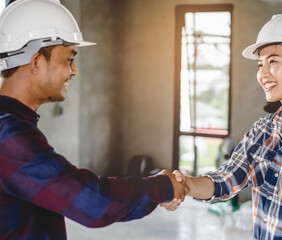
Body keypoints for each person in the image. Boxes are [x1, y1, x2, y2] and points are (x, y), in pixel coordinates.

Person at [161, 14, 282, 239]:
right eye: (260, 64)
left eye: (273, 61)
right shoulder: (263, 131)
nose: (263, 74)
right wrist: (185, 185)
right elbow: (226, 179)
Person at [0, 0, 185, 239]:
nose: (74, 70)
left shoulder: (14, 126)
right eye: (68, 59)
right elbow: (93, 202)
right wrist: (162, 186)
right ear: (36, 62)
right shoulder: (9, 136)